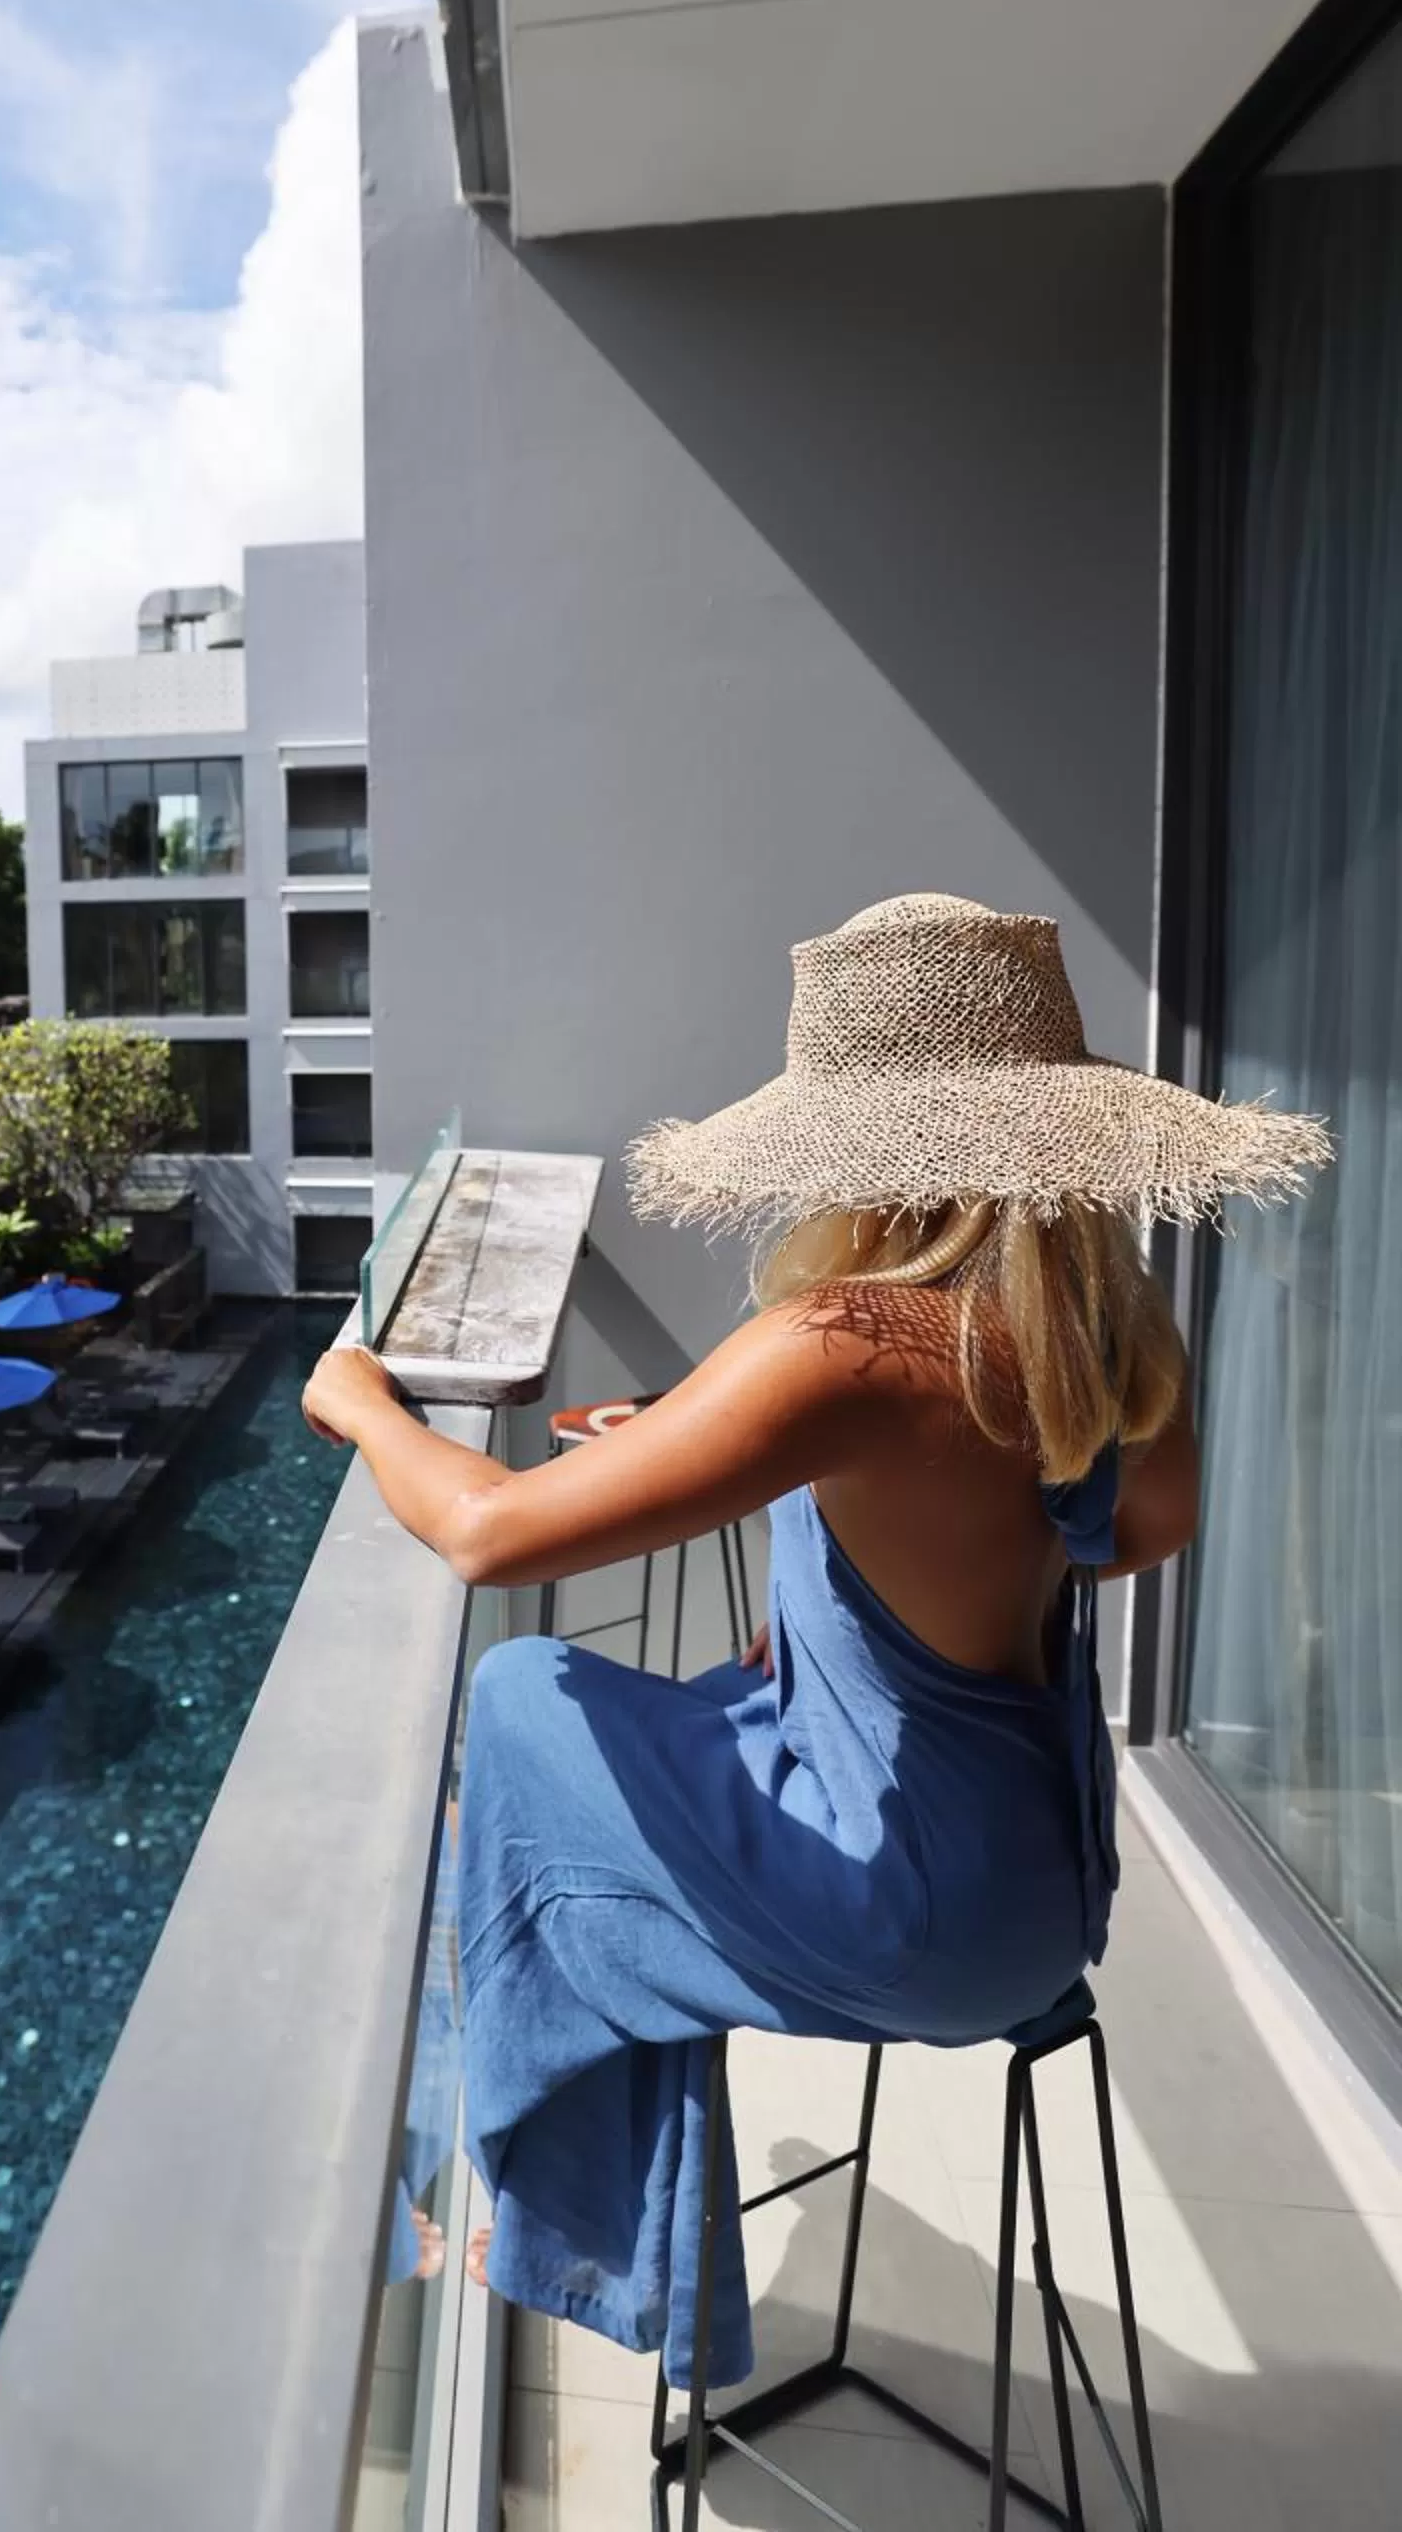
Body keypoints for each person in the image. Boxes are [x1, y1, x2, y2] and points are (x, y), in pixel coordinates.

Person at [301, 893, 1330, 2391]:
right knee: (697, 1731)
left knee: (528, 1694)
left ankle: (570, 2221)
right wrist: (674, 1440)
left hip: (911, 1924)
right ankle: (602, 2211)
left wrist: (361, 1401)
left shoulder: (846, 1345)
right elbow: (1126, 1526)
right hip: (1047, 1903)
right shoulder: (1095, 1342)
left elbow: (488, 1532)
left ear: (847, 1136)